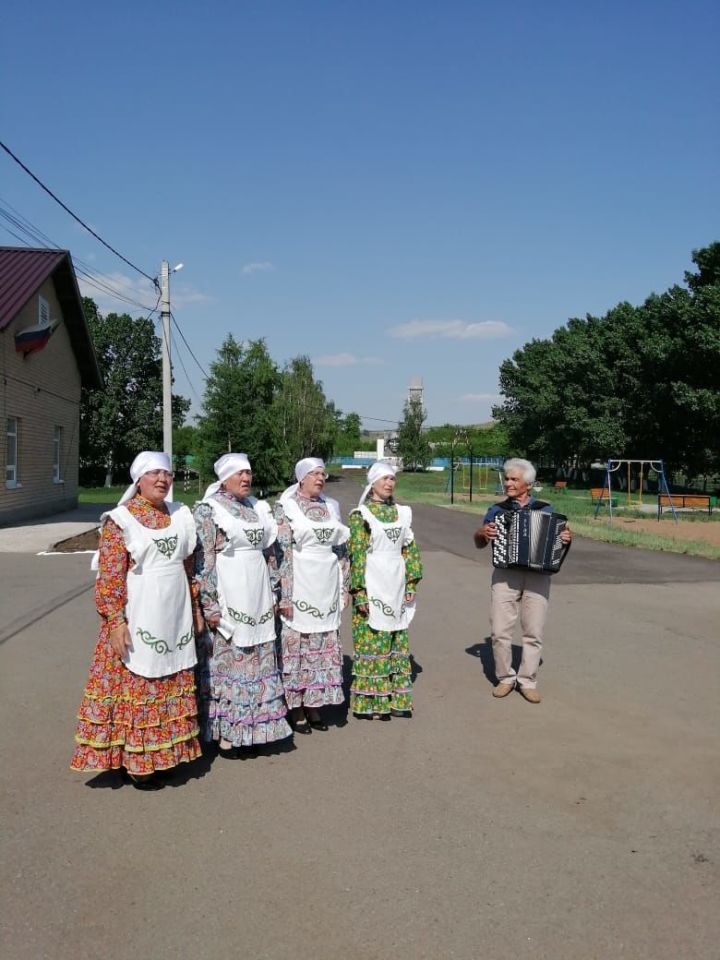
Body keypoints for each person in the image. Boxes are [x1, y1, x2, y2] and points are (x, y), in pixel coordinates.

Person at [71, 452, 203, 789]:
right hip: (139, 614)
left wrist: (197, 608)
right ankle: (138, 761)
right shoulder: (121, 520)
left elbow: (189, 568)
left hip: (175, 615)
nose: (162, 479)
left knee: (172, 680)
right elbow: (110, 578)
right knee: (140, 686)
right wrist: (115, 621)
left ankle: (167, 754)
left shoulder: (180, 515)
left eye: (167, 474)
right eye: (154, 474)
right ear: (139, 480)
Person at [193, 453, 291, 754]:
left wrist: (277, 591)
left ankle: (256, 729)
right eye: (240, 473)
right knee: (231, 659)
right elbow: (204, 560)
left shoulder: (257, 508)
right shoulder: (208, 510)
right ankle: (227, 731)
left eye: (249, 473)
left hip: (257, 594)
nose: (247, 478)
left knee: (259, 658)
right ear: (225, 478)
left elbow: (270, 553)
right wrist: (209, 605)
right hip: (229, 592)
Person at [474, 458, 572, 703]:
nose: (508, 483)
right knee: (499, 631)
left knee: (533, 631)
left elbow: (558, 543)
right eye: (507, 478)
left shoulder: (546, 510)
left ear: (527, 484)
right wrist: (481, 533)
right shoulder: (497, 511)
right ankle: (505, 678)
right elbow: (479, 542)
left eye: (514, 479)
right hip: (506, 573)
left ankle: (527, 681)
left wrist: (566, 538)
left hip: (538, 575)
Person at [273, 457, 349, 733]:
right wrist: (284, 595)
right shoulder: (286, 507)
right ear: (301, 478)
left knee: (320, 645)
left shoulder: (332, 506)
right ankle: (296, 707)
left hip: (326, 583)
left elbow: (341, 549)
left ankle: (314, 704)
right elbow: (281, 553)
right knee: (299, 645)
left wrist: (344, 586)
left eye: (323, 474)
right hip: (300, 581)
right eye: (314, 474)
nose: (320, 479)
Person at [348, 461, 423, 719]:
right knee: (374, 641)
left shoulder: (403, 513)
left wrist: (411, 582)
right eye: (385, 479)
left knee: (395, 638)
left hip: (395, 583)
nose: (390, 484)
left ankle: (395, 700)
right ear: (373, 484)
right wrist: (359, 591)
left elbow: (409, 548)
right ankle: (372, 704)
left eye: (392, 479)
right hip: (373, 580)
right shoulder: (361, 515)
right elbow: (356, 554)